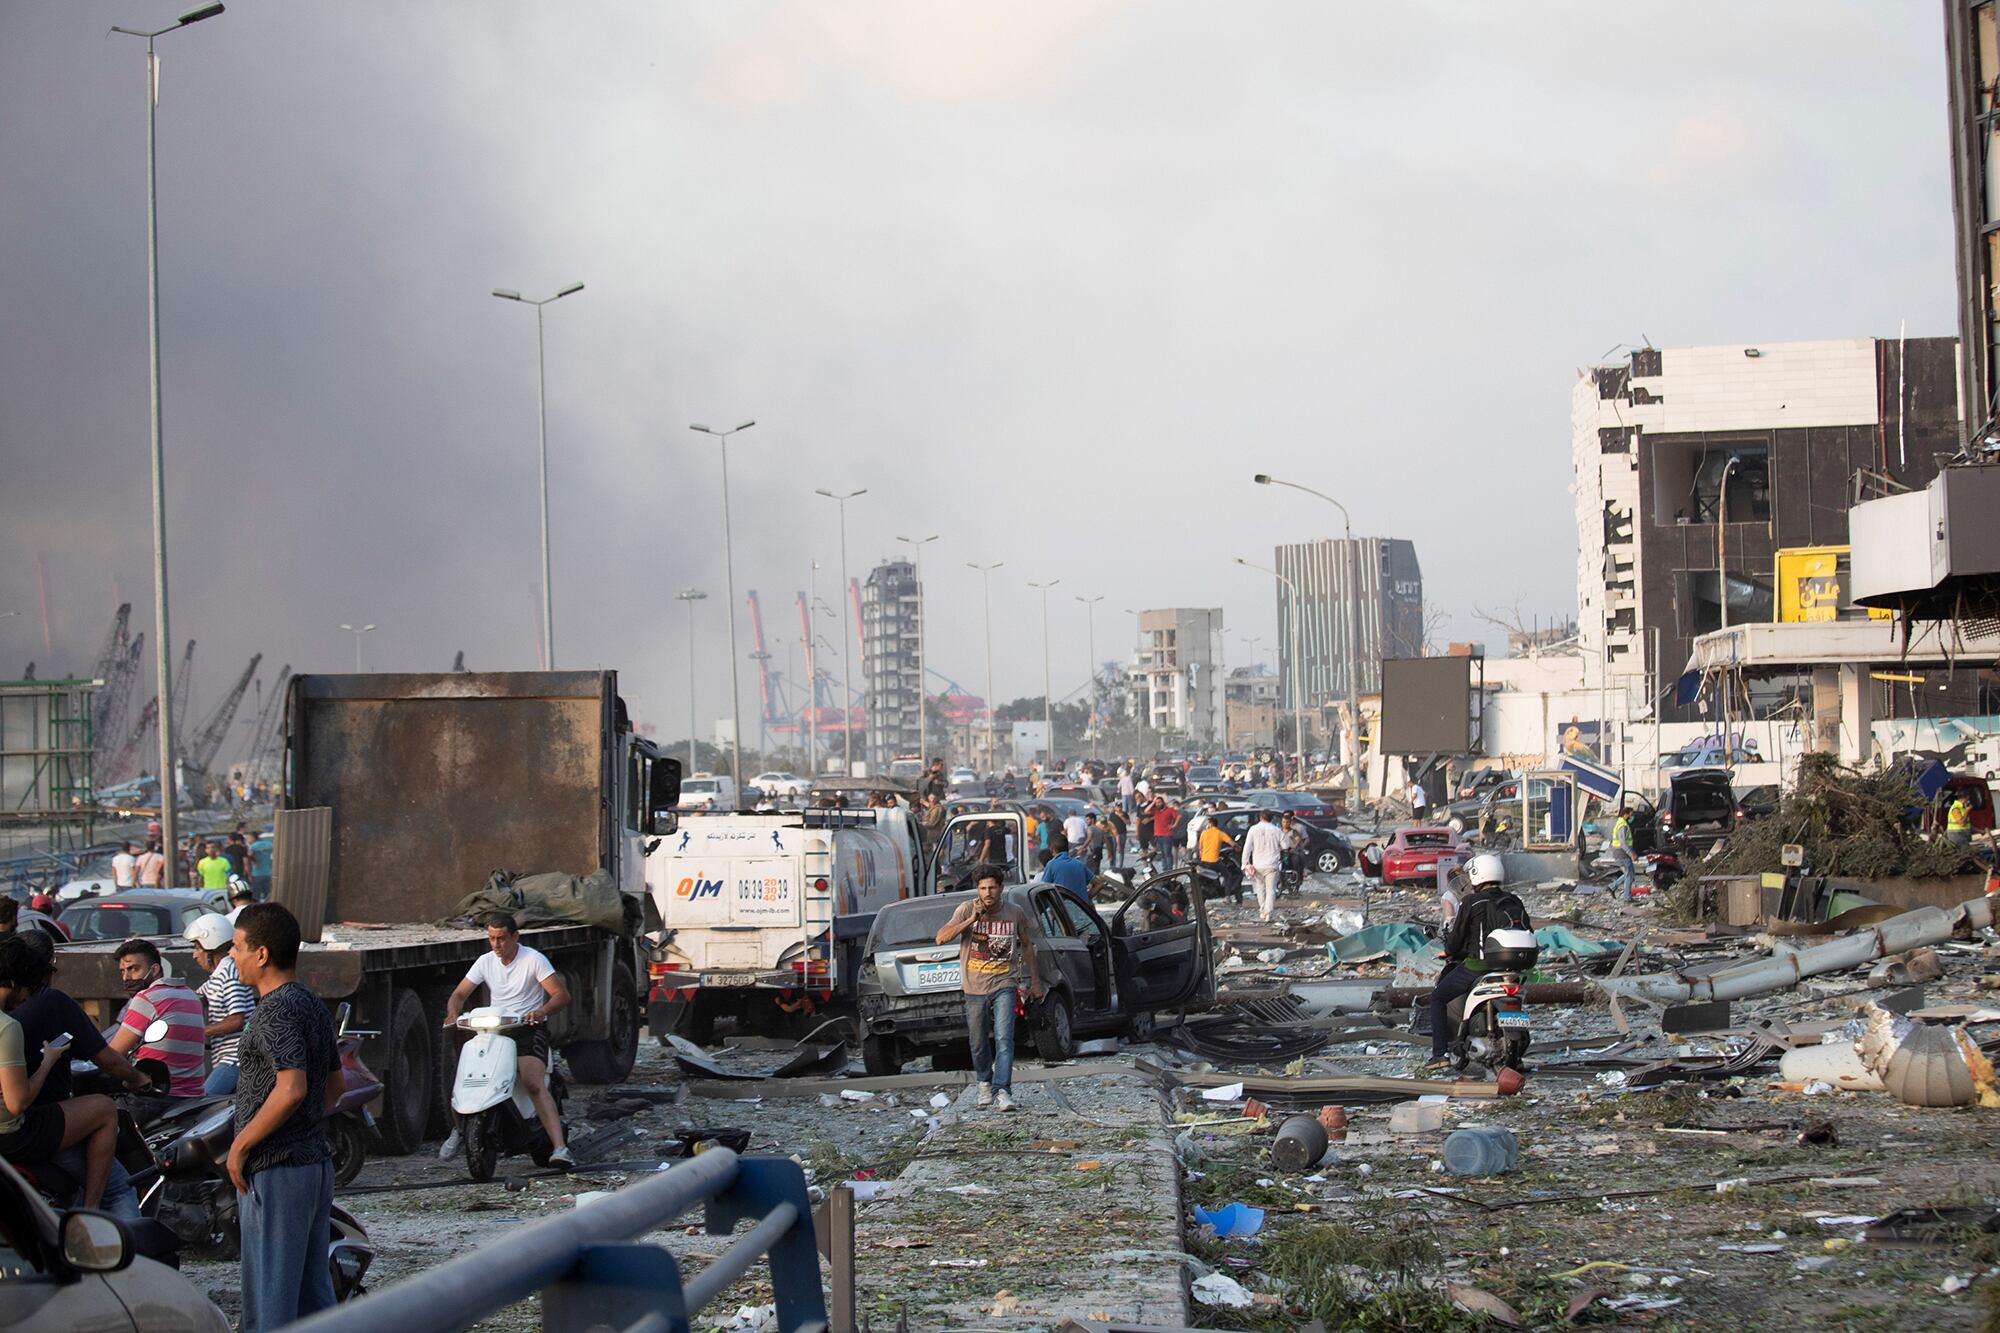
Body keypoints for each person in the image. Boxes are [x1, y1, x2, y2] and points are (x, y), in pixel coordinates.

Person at [229, 902, 343, 1331]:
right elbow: (335, 1087)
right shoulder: (311, 1002)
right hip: (313, 1163)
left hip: (277, 1167)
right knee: (313, 1297)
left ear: (261, 954)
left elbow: (291, 1087)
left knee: (271, 1300)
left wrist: (240, 1146)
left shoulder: (275, 1010)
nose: (232, 956)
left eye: (238, 947)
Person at [0, 934, 149, 1218]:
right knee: (107, 1121)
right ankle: (92, 1214)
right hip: (20, 1132)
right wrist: (48, 1061)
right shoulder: (12, 1024)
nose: (27, 998)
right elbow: (17, 1103)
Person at [442, 914, 573, 1168]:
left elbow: (561, 995)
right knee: (468, 1074)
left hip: (527, 1028)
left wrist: (542, 1011)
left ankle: (560, 1148)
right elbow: (459, 993)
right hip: (495, 1028)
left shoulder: (533, 960)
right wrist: (453, 1012)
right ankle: (459, 1130)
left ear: (515, 936)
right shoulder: (485, 962)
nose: (496, 944)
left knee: (532, 1082)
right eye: (491, 938)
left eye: (501, 938)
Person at [934, 867, 1041, 1113]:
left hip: (1004, 982)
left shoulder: (1015, 913)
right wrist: (972, 920)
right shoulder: (965, 909)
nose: (987, 893)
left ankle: (1002, 1090)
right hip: (974, 986)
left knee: (1004, 1038)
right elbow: (941, 938)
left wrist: (1035, 982)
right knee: (978, 1041)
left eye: (992, 887)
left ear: (1001, 888)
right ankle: (984, 1082)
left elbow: (1026, 946)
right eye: (982, 888)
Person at [1426, 853, 1530, 1071]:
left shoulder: (1471, 901)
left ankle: (1439, 1054)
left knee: (1437, 997)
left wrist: (1449, 951)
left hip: (1478, 967)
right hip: (1512, 969)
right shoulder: (1513, 900)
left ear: (1475, 876)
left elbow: (1456, 939)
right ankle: (1516, 1055)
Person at [109, 938, 207, 1098]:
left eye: (134, 969)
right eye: (123, 971)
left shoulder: (146, 998)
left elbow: (114, 1055)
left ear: (154, 970)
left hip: (158, 1097)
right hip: (195, 1096)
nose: (126, 977)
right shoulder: (191, 995)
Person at [186, 913, 257, 1096]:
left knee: (202, 1104)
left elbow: (236, 1020)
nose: (194, 955)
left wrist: (199, 1032)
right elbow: (195, 998)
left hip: (235, 1059)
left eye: (196, 948)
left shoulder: (229, 972)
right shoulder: (218, 975)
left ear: (210, 946)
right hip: (227, 1058)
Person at [1243, 810, 1288, 923]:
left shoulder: (1253, 829)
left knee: (1260, 888)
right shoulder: (1277, 830)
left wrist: (1245, 863)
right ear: (1271, 818)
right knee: (1271, 889)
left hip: (1258, 864)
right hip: (1272, 864)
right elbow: (1285, 846)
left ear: (1260, 817)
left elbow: (1247, 847)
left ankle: (1262, 910)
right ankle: (1268, 912)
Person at [1043, 834, 1091, 905]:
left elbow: (1043, 889)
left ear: (1051, 849)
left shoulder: (1051, 865)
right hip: (1080, 909)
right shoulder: (1079, 864)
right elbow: (1099, 884)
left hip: (1063, 910)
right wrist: (1084, 898)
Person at [1608, 805, 1637, 902]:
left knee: (1629, 874)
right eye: (1631, 815)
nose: (1632, 817)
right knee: (1630, 875)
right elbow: (1623, 843)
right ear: (1626, 814)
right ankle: (1627, 898)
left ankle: (1612, 887)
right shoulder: (1622, 825)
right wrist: (1631, 854)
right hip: (1622, 853)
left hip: (1620, 853)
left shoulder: (1620, 823)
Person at [1150, 794, 1179, 870]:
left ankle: (1169, 869)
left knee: (1167, 853)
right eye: (1157, 803)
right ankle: (1165, 869)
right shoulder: (1156, 811)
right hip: (1158, 835)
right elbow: (1146, 811)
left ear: (1163, 802)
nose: (1158, 804)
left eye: (1159, 802)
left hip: (1167, 835)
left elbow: (1178, 816)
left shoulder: (1170, 810)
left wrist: (1174, 825)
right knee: (1162, 854)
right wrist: (1153, 802)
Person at [248, 829, 275, 899]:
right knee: (268, 895)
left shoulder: (253, 846)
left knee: (256, 896)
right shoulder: (269, 844)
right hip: (268, 873)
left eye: (249, 838)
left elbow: (249, 855)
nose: (247, 840)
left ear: (253, 837)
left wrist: (255, 861)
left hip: (257, 873)